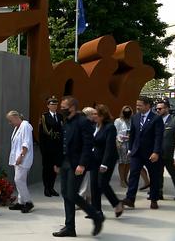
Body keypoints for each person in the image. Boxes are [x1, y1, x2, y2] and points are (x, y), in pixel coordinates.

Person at [52, 96, 104, 238]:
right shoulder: (66, 121)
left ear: (72, 107)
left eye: (64, 107)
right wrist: (58, 163)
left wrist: (82, 164)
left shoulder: (83, 122)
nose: (61, 109)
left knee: (72, 194)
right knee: (66, 194)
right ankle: (70, 227)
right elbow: (63, 143)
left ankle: (96, 215)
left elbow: (88, 144)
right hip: (65, 163)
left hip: (77, 164)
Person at [122, 96, 163, 209]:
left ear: (147, 105)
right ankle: (130, 199)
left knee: (154, 176)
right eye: (137, 105)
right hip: (137, 153)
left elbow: (158, 137)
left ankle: (154, 199)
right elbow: (132, 135)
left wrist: (156, 152)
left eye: (139, 105)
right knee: (133, 175)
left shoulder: (156, 118)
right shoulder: (135, 117)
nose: (137, 107)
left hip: (151, 154)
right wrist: (130, 149)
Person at [89, 104, 124, 218]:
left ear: (102, 116)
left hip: (106, 159)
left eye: (96, 114)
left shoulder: (110, 127)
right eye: (93, 114)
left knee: (102, 183)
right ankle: (96, 211)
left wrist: (104, 164)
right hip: (95, 158)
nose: (94, 116)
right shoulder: (95, 126)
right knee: (94, 184)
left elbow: (109, 147)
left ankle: (116, 204)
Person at [7, 111, 34, 213]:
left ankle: (28, 202)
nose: (10, 123)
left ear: (16, 117)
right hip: (18, 158)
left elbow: (26, 142)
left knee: (18, 180)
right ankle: (21, 202)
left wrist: (21, 156)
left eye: (10, 120)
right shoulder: (17, 127)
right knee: (21, 180)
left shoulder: (25, 126)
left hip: (23, 158)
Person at [38, 96, 63, 197]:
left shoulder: (60, 116)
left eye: (56, 104)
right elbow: (41, 134)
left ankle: (52, 187)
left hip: (57, 147)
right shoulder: (44, 116)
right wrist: (43, 149)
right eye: (52, 104)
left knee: (55, 168)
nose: (54, 106)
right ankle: (46, 188)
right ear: (48, 105)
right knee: (47, 168)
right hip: (48, 147)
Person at [156, 100, 175, 200]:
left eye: (160, 108)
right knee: (158, 174)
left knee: (174, 175)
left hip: (170, 155)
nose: (158, 110)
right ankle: (159, 192)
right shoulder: (155, 121)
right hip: (157, 154)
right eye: (156, 109)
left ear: (167, 109)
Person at [78, 107, 97, 203]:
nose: (96, 115)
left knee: (89, 179)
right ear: (88, 115)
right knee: (85, 179)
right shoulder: (85, 126)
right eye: (94, 114)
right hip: (86, 156)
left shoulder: (96, 125)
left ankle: (89, 198)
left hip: (94, 156)